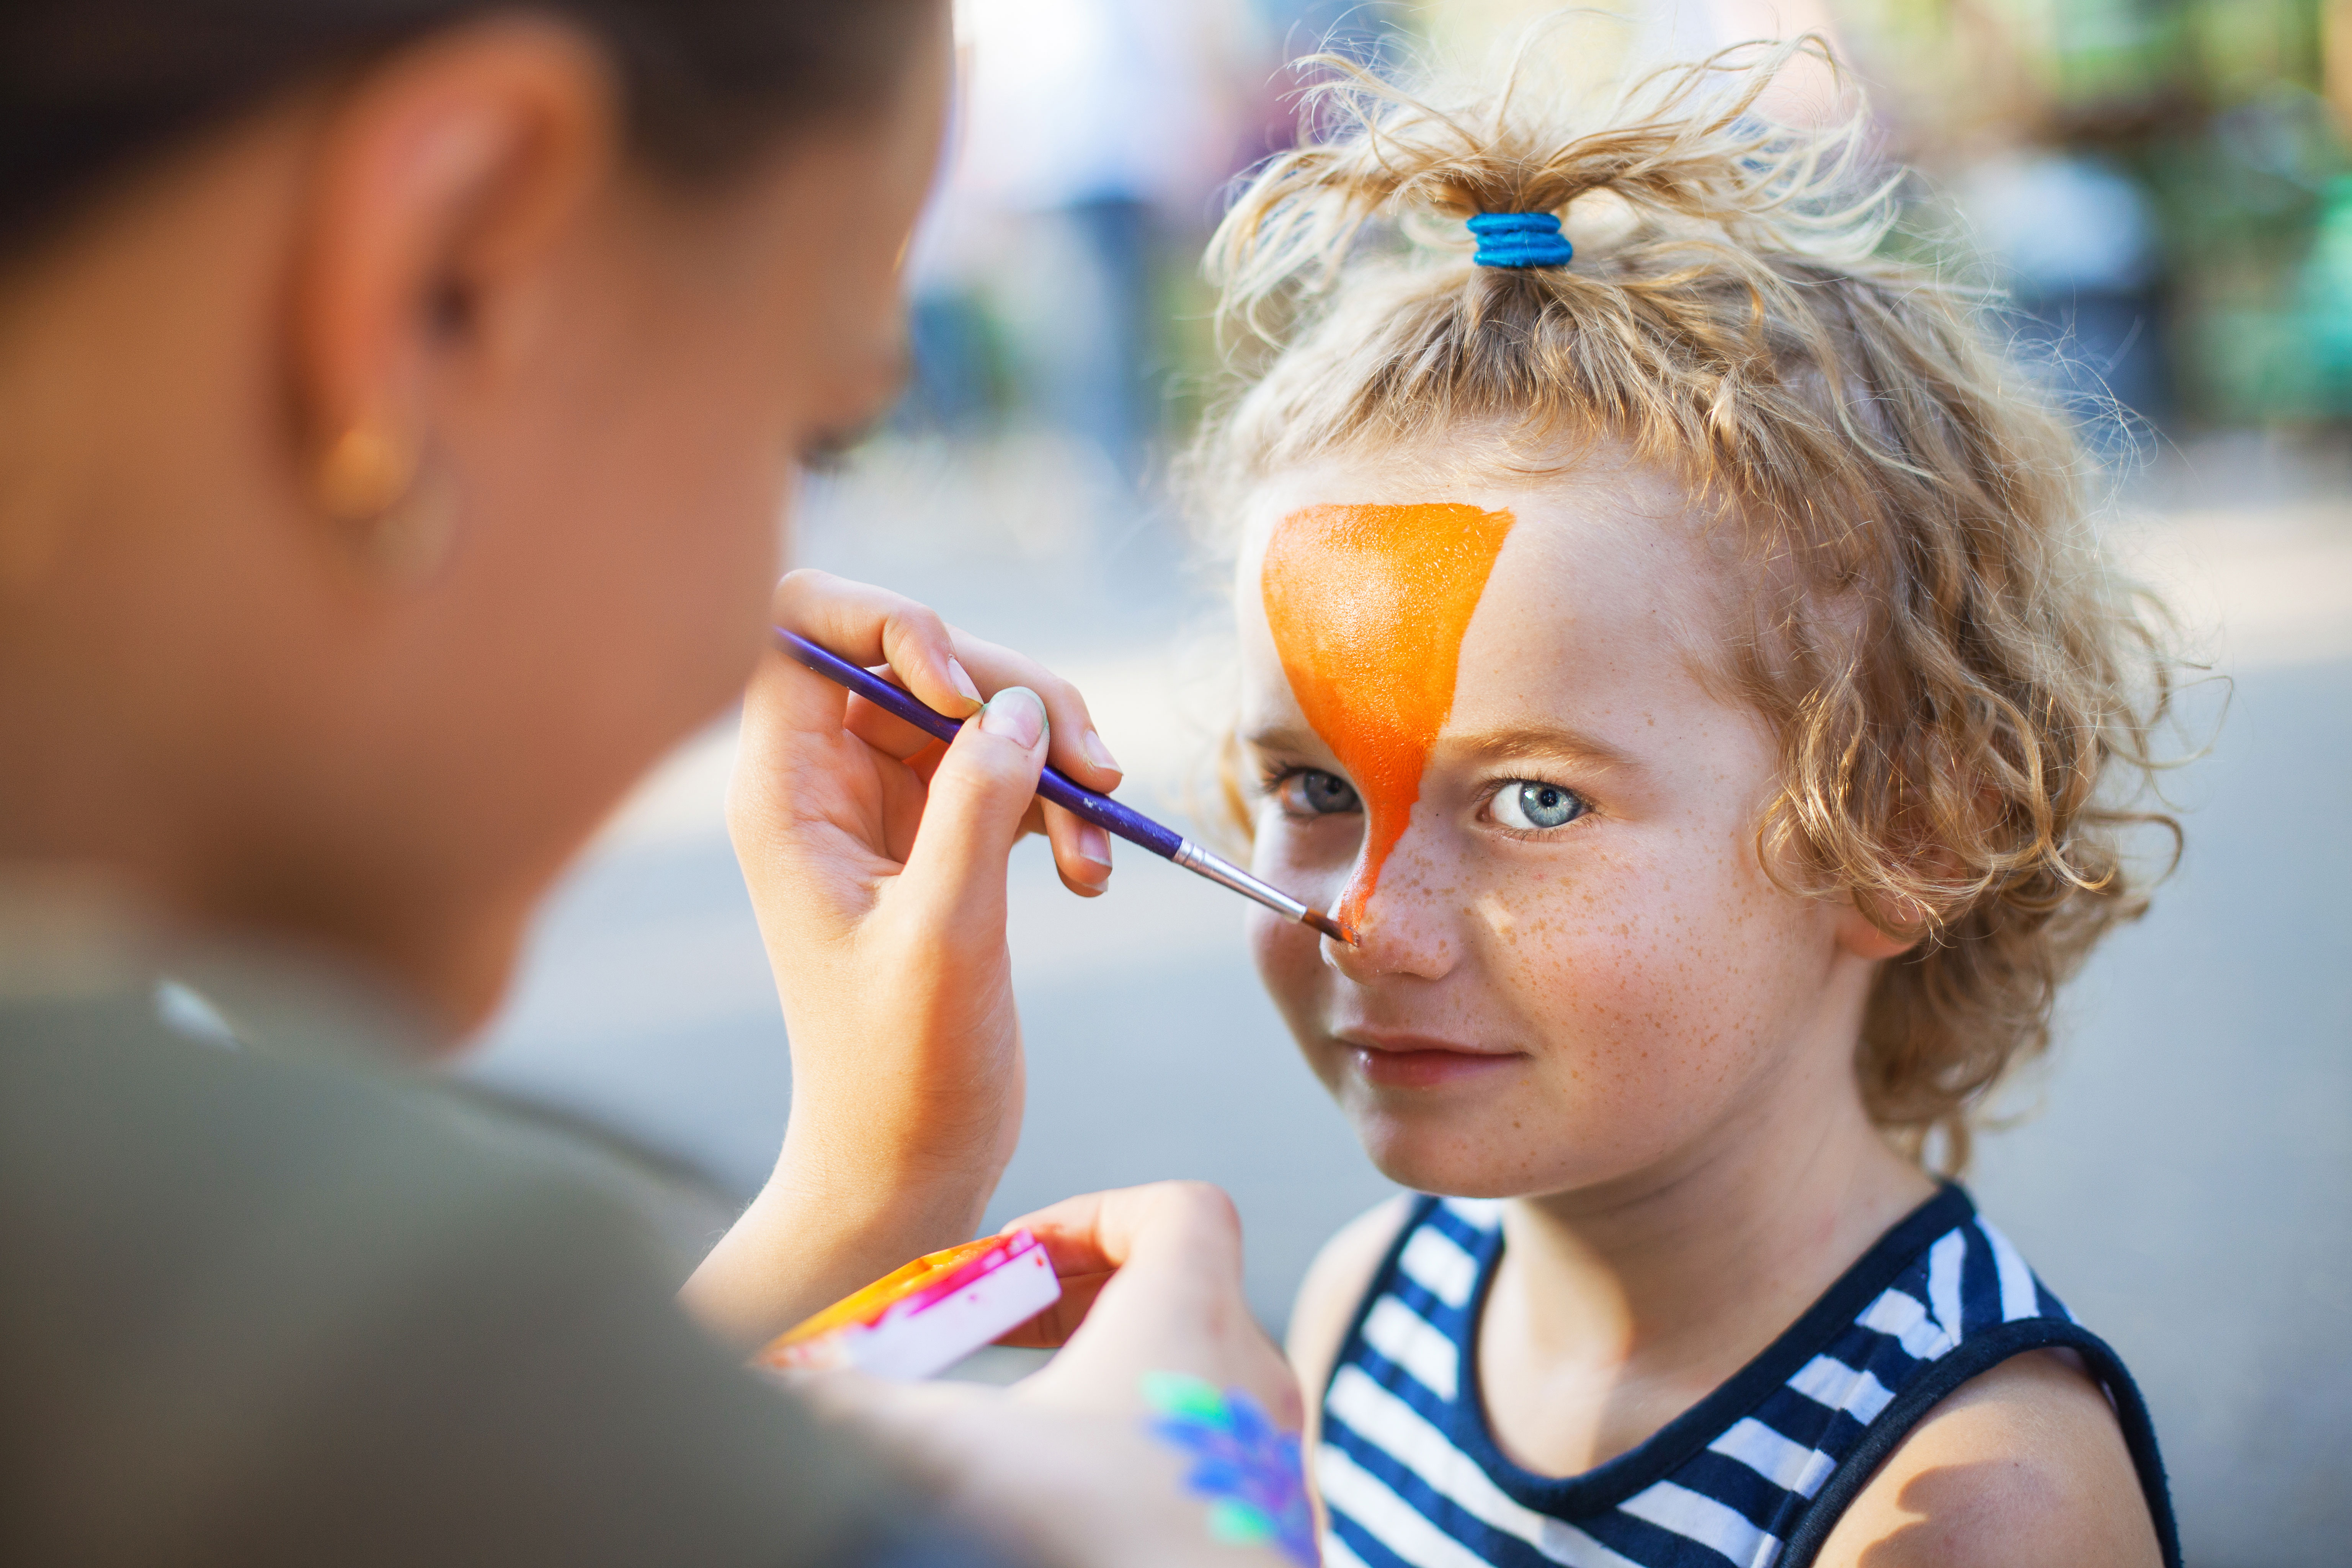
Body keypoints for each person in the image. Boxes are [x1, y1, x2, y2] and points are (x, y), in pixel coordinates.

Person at [0, 3, 1295, 1565]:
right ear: (451, 260)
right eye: (809, 429)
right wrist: (1212, 1511)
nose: (755, 624)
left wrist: (865, 1191)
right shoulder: (294, 1302)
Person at [1184, 37, 2185, 1568]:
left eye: (1536, 801)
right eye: (1316, 785)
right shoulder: (1366, 1304)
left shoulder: (1971, 1502)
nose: (1369, 925)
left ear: (1906, 834)